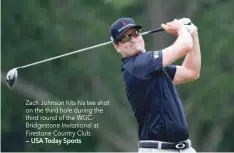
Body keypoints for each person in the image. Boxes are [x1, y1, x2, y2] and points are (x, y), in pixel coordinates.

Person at [109, 17, 201, 153]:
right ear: (117, 46)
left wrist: (193, 33)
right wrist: (181, 29)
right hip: (158, 149)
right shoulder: (136, 66)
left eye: (135, 33)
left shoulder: (152, 67)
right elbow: (184, 46)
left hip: (185, 148)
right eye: (126, 38)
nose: (133, 39)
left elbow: (191, 72)